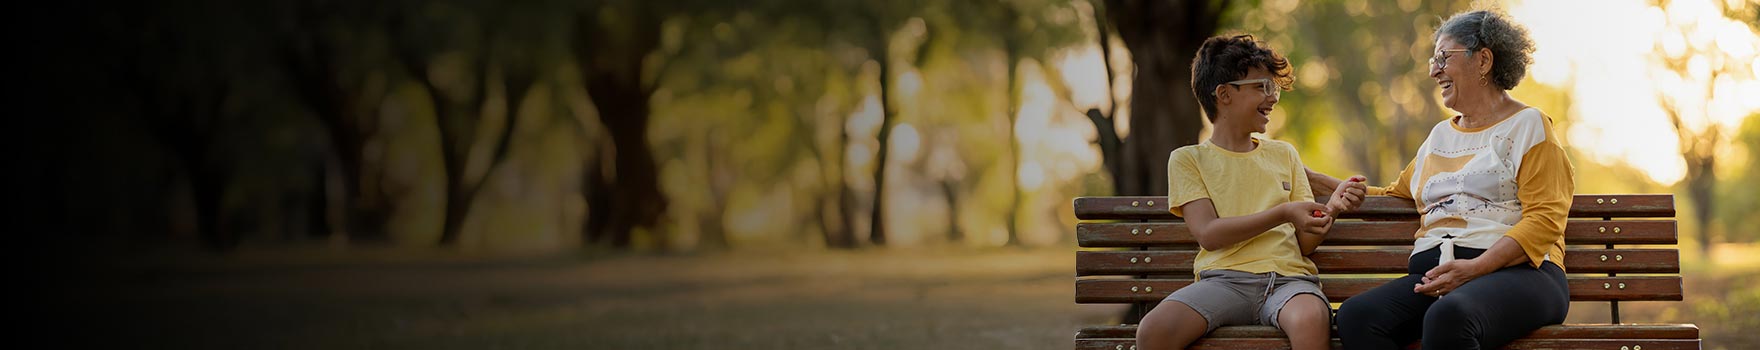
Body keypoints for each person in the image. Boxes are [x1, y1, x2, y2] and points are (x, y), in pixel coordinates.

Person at [1309, 9, 1575, 350]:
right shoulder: (1438, 137)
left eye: (1442, 58)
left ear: (1483, 61)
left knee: (1449, 316)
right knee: (1357, 316)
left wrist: (1476, 268)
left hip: (1524, 275)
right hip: (1440, 276)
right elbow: (1397, 194)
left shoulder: (1529, 126)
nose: (1433, 70)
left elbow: (1545, 219)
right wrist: (1317, 180)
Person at [1136, 34, 1368, 350]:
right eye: (1262, 87)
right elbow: (1208, 233)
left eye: (1272, 88)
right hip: (1223, 281)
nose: (1272, 97)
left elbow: (1304, 243)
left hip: (1289, 282)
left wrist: (1333, 208)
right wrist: (1283, 212)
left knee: (1311, 318)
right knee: (1153, 331)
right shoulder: (1188, 159)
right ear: (1224, 94)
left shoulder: (1284, 154)